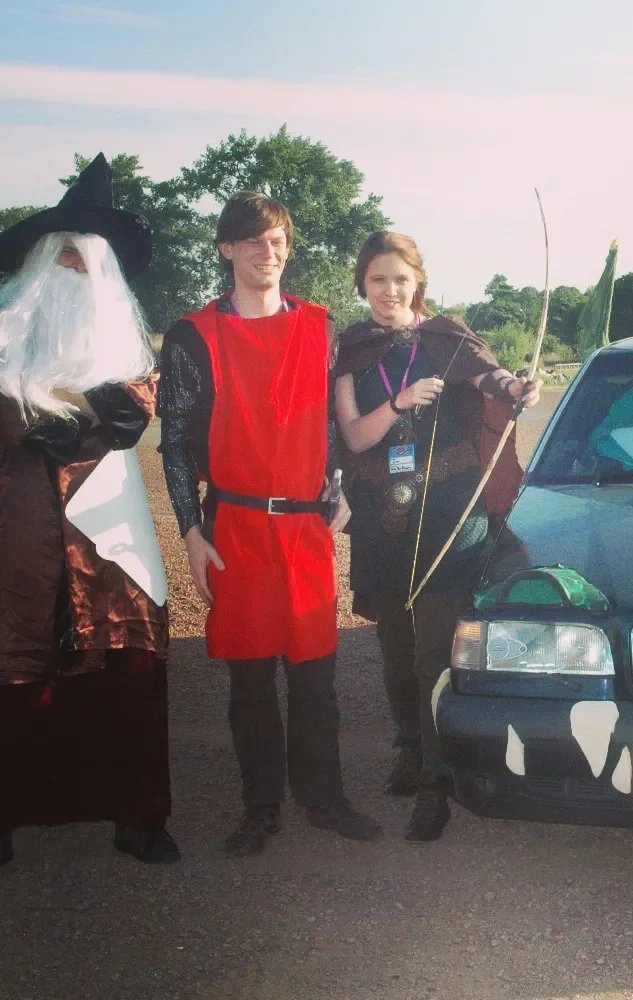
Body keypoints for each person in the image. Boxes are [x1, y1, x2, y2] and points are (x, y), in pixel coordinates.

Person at [158, 191, 381, 857]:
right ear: (227, 249)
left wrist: (337, 483)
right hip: (238, 528)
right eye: (254, 240)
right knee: (251, 682)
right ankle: (261, 806)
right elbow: (173, 442)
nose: (269, 252)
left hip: (304, 530)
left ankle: (324, 796)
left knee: (317, 677)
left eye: (279, 239)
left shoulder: (320, 326)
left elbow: (330, 422)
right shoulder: (193, 334)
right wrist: (191, 531)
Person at [0, 153, 178, 865]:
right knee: (12, 665)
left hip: (111, 538)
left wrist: (57, 412)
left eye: (89, 264)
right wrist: (51, 414)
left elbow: (126, 414)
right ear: (42, 266)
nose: (76, 275)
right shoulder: (5, 339)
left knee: (126, 661)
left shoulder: (127, 350)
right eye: (64, 261)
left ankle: (137, 817)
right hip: (18, 537)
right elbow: (25, 423)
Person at [335, 231, 540, 841]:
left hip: (451, 513)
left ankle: (435, 780)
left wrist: (513, 387)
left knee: (433, 651)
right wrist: (399, 402)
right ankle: (407, 745)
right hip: (383, 517)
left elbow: (490, 379)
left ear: (417, 282)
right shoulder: (352, 349)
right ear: (363, 284)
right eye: (377, 280)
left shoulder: (447, 341)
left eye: (400, 279)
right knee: (396, 646)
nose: (390, 291)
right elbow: (353, 437)